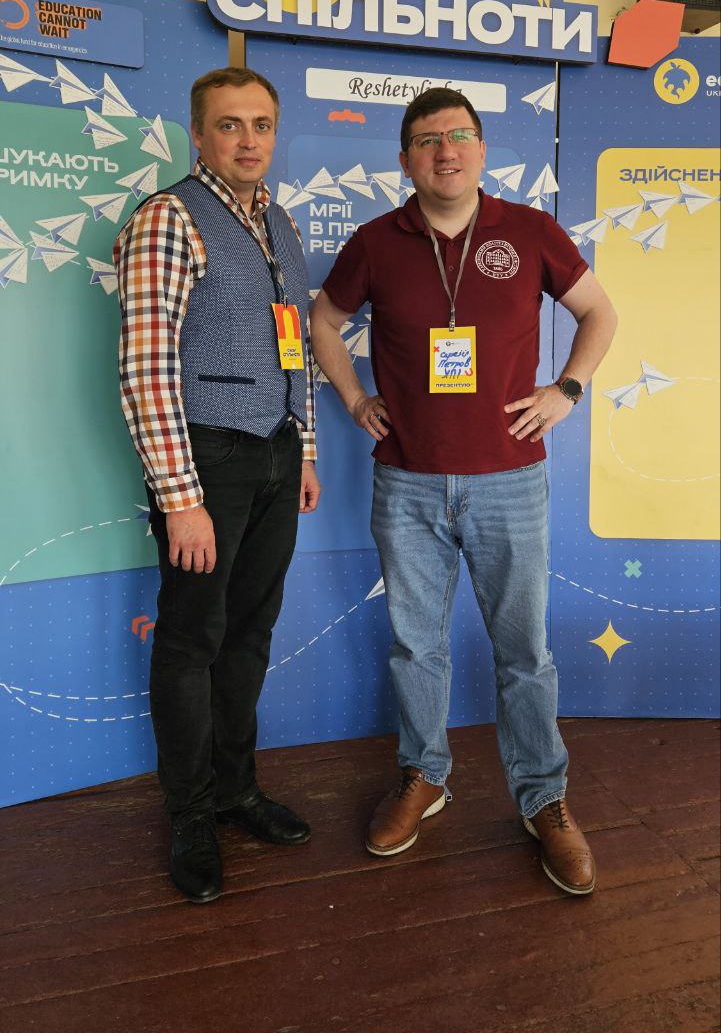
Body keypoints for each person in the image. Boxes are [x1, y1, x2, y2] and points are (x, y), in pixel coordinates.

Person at [310, 86, 616, 896]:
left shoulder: (531, 231)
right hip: (406, 481)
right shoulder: (375, 242)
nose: (443, 151)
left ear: (480, 150)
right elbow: (322, 321)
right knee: (417, 646)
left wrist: (566, 390)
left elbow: (598, 313)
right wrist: (354, 398)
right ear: (404, 158)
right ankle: (424, 776)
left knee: (524, 654)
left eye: (457, 136)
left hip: (510, 482)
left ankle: (542, 798)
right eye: (425, 139)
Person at [114, 67, 321, 903]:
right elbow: (146, 364)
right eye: (229, 124)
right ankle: (192, 813)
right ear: (197, 134)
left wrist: (304, 448)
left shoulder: (280, 221)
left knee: (248, 634)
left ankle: (237, 791)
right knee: (191, 642)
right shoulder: (167, 218)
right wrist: (180, 496)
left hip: (274, 453)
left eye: (261, 124)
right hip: (204, 460)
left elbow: (293, 343)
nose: (248, 140)